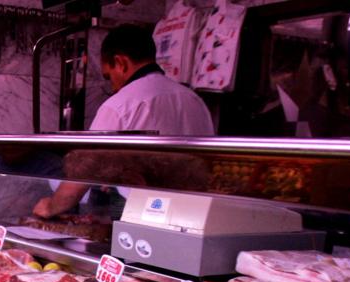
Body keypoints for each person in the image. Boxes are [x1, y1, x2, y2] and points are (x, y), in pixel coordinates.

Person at [33, 24, 215, 218]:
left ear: (121, 62)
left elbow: (83, 171)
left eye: (109, 76)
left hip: (142, 215)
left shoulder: (120, 104)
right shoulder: (194, 100)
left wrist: (51, 206)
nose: (112, 86)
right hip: (194, 216)